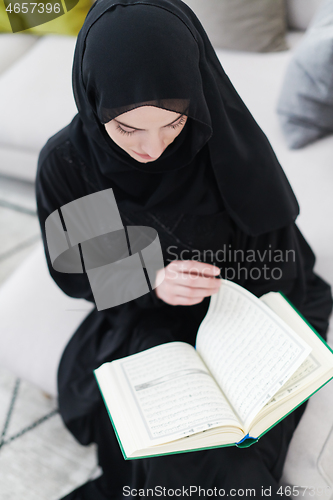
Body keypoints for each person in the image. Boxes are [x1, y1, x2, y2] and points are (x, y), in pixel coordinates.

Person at [36, 0, 332, 498]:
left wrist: (231, 310)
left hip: (244, 314)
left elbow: (274, 259)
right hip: (143, 319)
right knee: (184, 451)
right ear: (92, 98)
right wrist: (152, 279)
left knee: (231, 453)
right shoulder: (74, 165)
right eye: (128, 127)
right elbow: (80, 272)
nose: (153, 148)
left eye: (171, 121)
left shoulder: (220, 144)